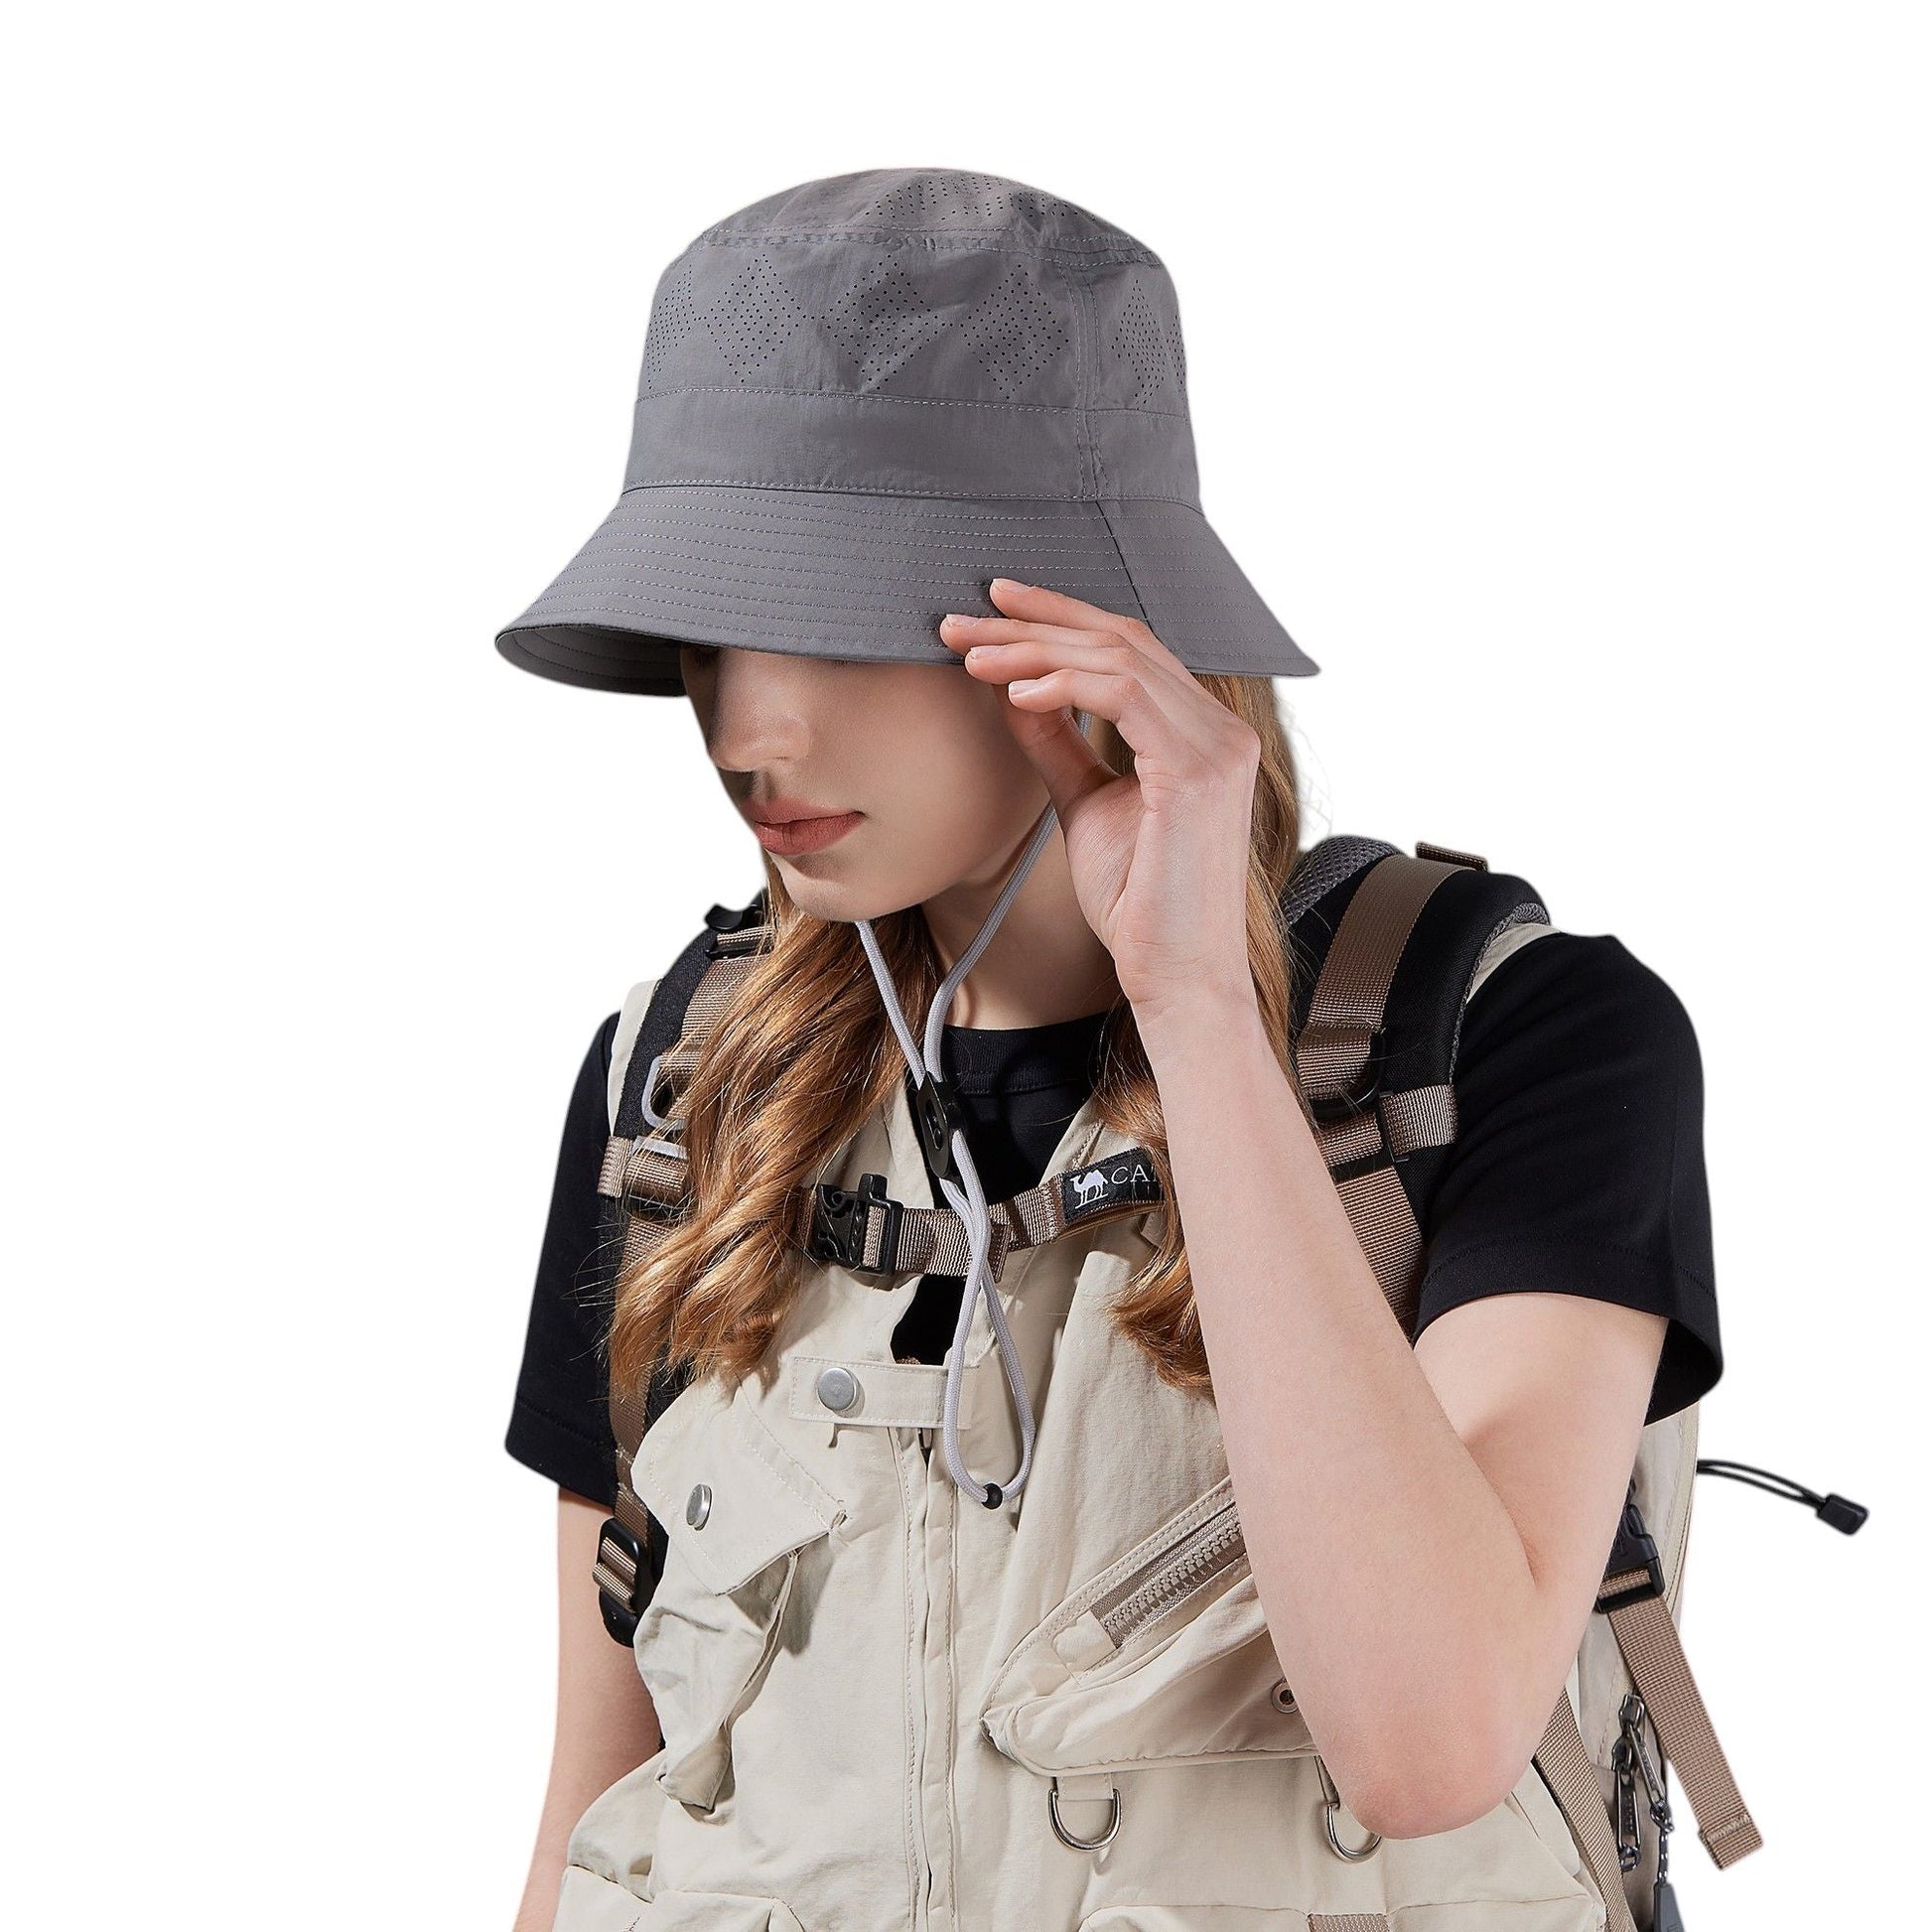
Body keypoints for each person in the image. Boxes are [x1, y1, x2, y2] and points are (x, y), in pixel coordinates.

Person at [497, 169, 1720, 1932]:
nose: (751, 728)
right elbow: (594, 1806)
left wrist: (1197, 1003)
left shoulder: (1510, 1042)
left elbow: (1430, 1740)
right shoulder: (678, 1092)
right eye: (712, 620)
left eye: (835, 615)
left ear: (1089, 632)